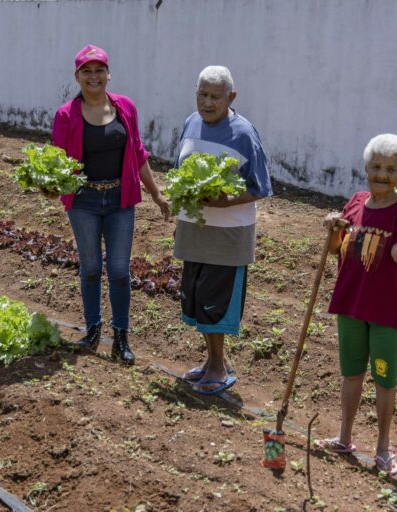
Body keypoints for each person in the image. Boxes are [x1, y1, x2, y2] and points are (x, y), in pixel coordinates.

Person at [51, 44, 170, 365]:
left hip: (120, 199)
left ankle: (121, 337)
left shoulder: (125, 108)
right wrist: (50, 187)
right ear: (77, 76)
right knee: (90, 268)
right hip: (84, 201)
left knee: (119, 271)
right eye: (86, 71)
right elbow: (58, 164)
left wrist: (157, 194)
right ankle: (92, 330)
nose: (94, 77)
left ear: (108, 74)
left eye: (99, 70)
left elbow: (139, 154)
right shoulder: (65, 115)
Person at [315, 134, 397, 476]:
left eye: (390, 168)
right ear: (366, 167)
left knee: (384, 380)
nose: (382, 174)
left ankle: (382, 448)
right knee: (351, 374)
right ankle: (345, 438)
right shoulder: (357, 201)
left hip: (387, 311)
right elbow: (336, 248)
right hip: (350, 303)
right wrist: (333, 228)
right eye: (376, 166)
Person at [174, 66, 272, 395]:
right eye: (202, 94)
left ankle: (218, 366)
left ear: (232, 97)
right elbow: (180, 172)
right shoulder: (191, 122)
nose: (207, 102)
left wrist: (223, 201)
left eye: (216, 96)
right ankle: (214, 360)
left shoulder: (243, 133)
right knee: (199, 298)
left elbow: (260, 187)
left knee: (217, 303)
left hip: (228, 234)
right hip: (195, 228)